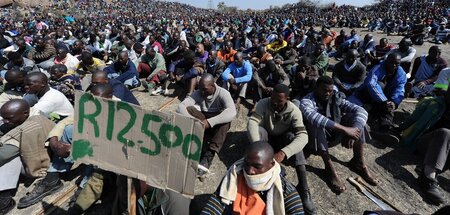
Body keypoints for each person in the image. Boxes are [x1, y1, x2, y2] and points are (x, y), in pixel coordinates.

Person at [300, 76, 379, 194]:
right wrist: (345, 130)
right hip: (315, 141)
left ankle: (358, 163)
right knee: (315, 123)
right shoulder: (307, 100)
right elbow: (313, 117)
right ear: (316, 88)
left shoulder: (336, 98)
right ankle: (329, 168)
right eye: (324, 90)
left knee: (357, 120)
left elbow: (362, 111)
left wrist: (354, 130)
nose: (327, 93)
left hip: (333, 136)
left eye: (330, 91)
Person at [247, 84, 316, 214]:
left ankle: (303, 188)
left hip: (282, 140)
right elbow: (252, 122)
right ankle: (261, 175)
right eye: (273, 99)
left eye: (279, 101)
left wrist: (284, 153)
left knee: (293, 138)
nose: (275, 103)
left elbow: (303, 136)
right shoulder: (263, 103)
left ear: (287, 99)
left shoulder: (294, 111)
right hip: (266, 139)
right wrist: (258, 148)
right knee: (259, 130)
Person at [200, 141, 304, 215]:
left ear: (271, 164)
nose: (250, 171)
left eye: (257, 166)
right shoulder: (233, 177)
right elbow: (213, 207)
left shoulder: (285, 190)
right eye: (247, 164)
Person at [395, 86, 450, 204]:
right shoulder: (433, 103)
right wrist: (398, 130)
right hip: (422, 144)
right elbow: (412, 119)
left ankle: (430, 168)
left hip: (440, 153)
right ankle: (427, 177)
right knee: (445, 133)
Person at [177, 73, 236, 179]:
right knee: (189, 109)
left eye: (205, 89)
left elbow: (232, 112)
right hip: (203, 120)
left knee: (226, 122)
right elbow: (181, 106)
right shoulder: (199, 92)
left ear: (213, 86)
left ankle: (209, 154)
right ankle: (195, 139)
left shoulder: (223, 93)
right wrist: (195, 122)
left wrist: (209, 122)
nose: (202, 92)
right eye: (200, 89)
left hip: (216, 124)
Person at [0, 99, 55, 212]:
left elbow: (2, 155)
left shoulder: (22, 131)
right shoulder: (39, 115)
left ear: (25, 113)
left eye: (9, 118)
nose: (5, 121)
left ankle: (3, 200)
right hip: (50, 156)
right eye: (3, 118)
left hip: (40, 166)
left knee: (9, 159)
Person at [350, 53, 406, 140]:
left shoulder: (401, 73)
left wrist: (394, 102)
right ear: (387, 61)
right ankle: (372, 112)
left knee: (389, 107)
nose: (394, 65)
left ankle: (384, 128)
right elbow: (370, 83)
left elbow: (400, 89)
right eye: (391, 63)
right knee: (380, 85)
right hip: (368, 95)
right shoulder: (378, 67)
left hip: (384, 98)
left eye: (397, 63)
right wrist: (384, 100)